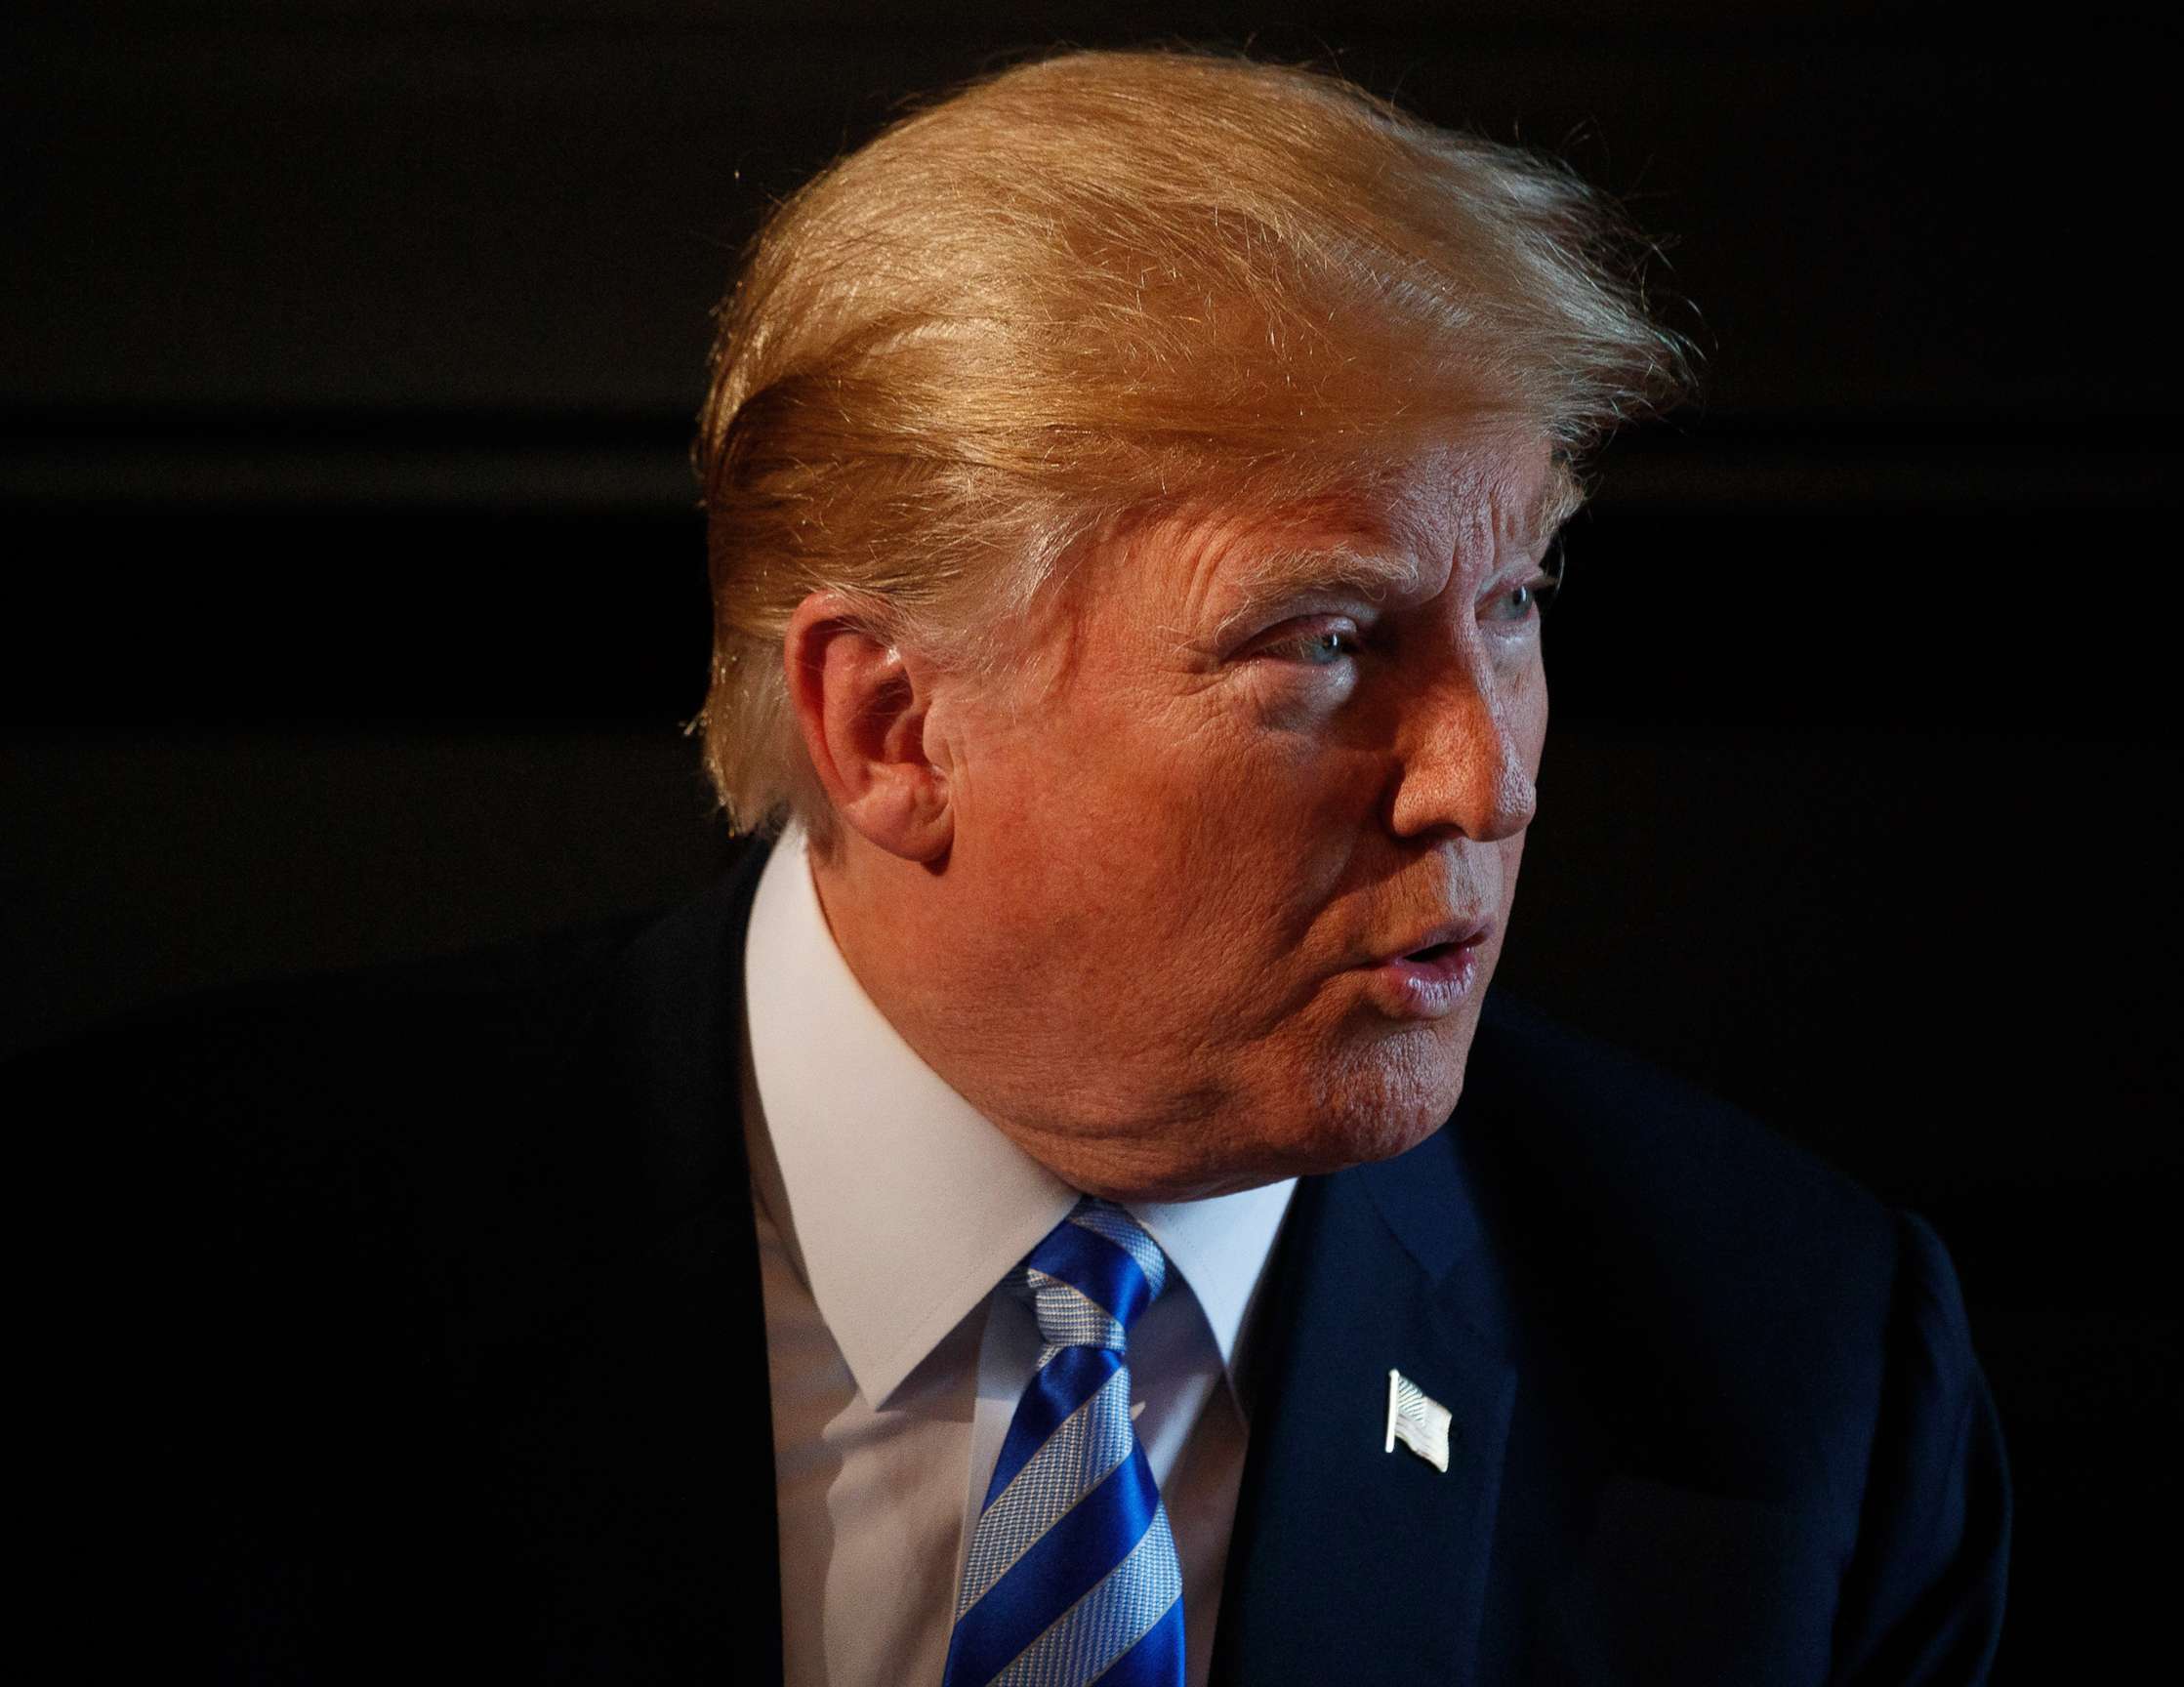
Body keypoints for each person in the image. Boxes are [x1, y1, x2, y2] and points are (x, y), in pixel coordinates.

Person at [23, 47, 2007, 1686]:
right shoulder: (160, 1276)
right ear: (890, 728)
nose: (1479, 779)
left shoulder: (1793, 1379)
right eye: (1322, 643)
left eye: (1516, 604)